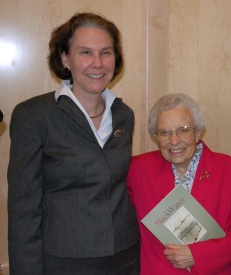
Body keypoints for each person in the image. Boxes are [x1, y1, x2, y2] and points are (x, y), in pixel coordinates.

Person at [8, 12, 140, 275]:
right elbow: (23, 209)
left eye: (106, 52)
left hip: (124, 256)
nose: (98, 63)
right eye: (85, 53)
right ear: (65, 58)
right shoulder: (34, 115)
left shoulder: (124, 114)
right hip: (64, 261)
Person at [126, 93, 231, 274]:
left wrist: (198, 254)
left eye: (183, 130)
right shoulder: (137, 170)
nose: (174, 140)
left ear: (198, 131)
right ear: (156, 136)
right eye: (164, 132)